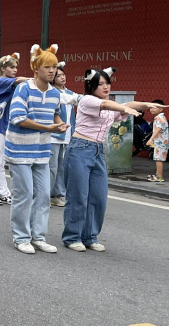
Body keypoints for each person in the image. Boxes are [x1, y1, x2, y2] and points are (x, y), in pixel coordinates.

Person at [62, 68, 161, 252]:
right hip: (79, 149)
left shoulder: (109, 105)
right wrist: (124, 107)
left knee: (98, 197)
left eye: (108, 83)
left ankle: (90, 236)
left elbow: (126, 104)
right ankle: (72, 236)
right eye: (101, 84)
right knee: (78, 196)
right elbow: (110, 106)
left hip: (98, 151)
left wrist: (148, 104)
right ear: (91, 85)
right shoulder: (87, 100)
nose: (106, 87)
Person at [5, 44, 68, 255]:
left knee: (42, 195)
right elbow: (17, 117)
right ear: (36, 68)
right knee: (25, 194)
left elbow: (56, 113)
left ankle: (38, 237)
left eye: (54, 67)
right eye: (48, 67)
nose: (52, 71)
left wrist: (59, 124)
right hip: (19, 150)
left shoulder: (54, 93)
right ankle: (21, 238)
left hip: (42, 152)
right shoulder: (23, 88)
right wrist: (46, 127)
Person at [0, 53, 30, 205]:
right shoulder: (1, 81)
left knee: (1, 161)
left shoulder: (12, 83)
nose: (15, 70)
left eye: (16, 67)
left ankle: (3, 192)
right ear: (3, 69)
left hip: (4, 126)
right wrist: (37, 79)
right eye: (12, 67)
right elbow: (20, 80)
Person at [49, 62, 79, 207]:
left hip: (66, 136)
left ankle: (58, 194)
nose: (62, 78)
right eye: (58, 76)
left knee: (63, 168)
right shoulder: (51, 92)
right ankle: (46, 194)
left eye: (63, 75)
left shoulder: (71, 94)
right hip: (53, 136)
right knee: (51, 167)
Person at [147, 100, 168, 183]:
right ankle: (157, 175)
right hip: (161, 141)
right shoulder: (160, 117)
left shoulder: (160, 118)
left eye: (155, 107)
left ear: (161, 109)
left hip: (161, 142)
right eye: (151, 107)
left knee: (159, 159)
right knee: (158, 158)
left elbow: (158, 129)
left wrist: (151, 139)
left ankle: (159, 176)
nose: (152, 109)